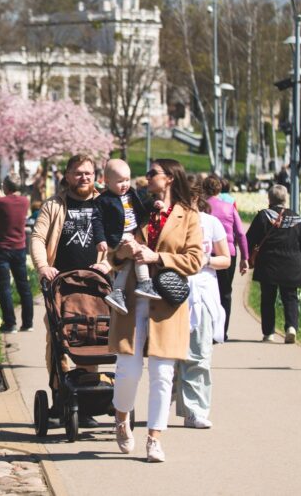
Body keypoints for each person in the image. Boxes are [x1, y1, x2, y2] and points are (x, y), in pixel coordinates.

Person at [109, 158, 203, 463]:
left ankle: (154, 438)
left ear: (170, 179)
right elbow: (114, 254)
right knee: (128, 371)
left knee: (162, 375)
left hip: (167, 303)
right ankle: (122, 418)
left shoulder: (188, 216)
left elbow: (195, 260)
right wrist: (122, 251)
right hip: (133, 299)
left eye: (153, 174)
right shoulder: (139, 210)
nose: (147, 178)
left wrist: (158, 257)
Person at [31, 153, 109, 427]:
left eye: (88, 173)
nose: (83, 177)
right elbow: (38, 237)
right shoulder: (54, 205)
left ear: (95, 175)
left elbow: (121, 240)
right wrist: (43, 267)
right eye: (78, 173)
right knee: (57, 344)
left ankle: (85, 404)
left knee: (91, 340)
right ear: (67, 175)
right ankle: (59, 399)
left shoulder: (105, 203)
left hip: (95, 287)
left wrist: (108, 265)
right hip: (61, 288)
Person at [174, 193, 230, 429]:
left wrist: (204, 261)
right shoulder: (171, 220)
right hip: (173, 291)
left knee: (199, 353)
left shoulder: (211, 222)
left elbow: (225, 259)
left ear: (195, 197)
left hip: (203, 292)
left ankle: (196, 411)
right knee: (171, 355)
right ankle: (169, 402)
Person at [243, 184, 301, 343]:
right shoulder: (297, 219)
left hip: (269, 263)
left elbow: (249, 239)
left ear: (269, 199)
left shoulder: (263, 216)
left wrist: (248, 257)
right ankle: (291, 327)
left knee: (268, 298)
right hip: (292, 264)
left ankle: (269, 333)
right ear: (285, 199)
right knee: (290, 297)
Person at [96, 158, 160, 316]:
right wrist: (101, 239)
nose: (124, 184)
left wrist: (154, 206)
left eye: (126, 180)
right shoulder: (104, 200)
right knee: (140, 253)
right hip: (117, 236)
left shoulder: (131, 193)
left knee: (127, 265)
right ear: (107, 181)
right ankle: (144, 282)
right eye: (119, 181)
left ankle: (117, 291)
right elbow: (96, 221)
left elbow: (141, 206)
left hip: (131, 233)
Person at [0, 173, 33, 334]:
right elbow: (10, 205)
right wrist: (1, 197)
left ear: (5, 187)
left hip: (2, 250)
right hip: (20, 249)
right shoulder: (25, 201)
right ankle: (28, 323)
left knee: (5, 287)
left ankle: (10, 324)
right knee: (24, 286)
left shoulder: (0, 202)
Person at [201, 175, 248, 340]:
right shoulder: (229, 207)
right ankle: (222, 332)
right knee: (225, 292)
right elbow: (241, 233)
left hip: (205, 253)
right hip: (227, 254)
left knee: (205, 291)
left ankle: (206, 328)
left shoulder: (202, 208)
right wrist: (245, 258)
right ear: (219, 189)